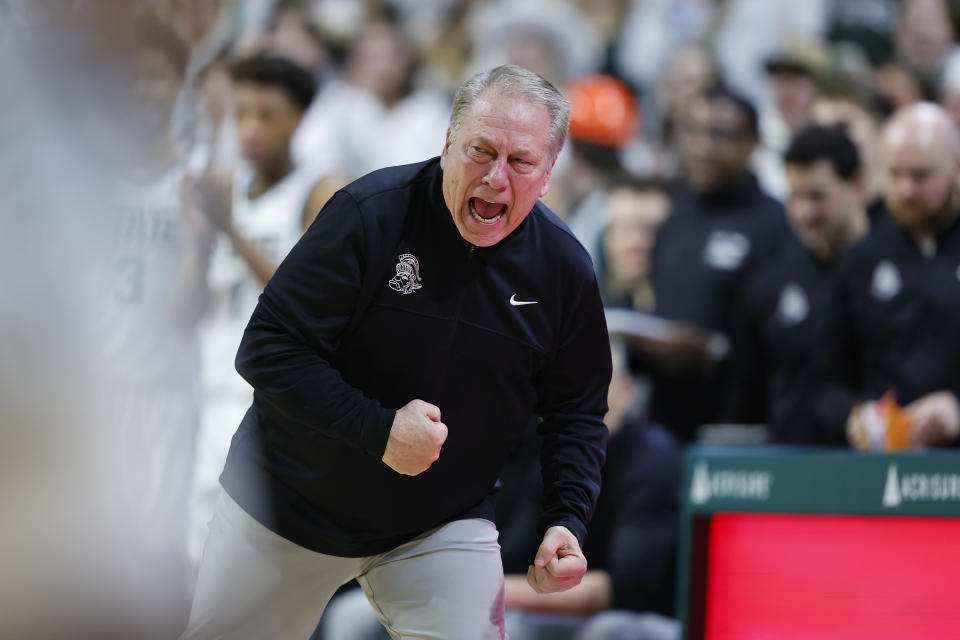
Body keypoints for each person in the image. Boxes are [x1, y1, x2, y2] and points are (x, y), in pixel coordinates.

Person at [180, 64, 612, 639]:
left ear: (549, 170)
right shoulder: (368, 213)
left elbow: (576, 410)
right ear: (447, 144)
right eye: (481, 152)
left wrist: (567, 520)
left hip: (437, 524)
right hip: (287, 503)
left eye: (521, 161)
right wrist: (379, 431)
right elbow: (266, 350)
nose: (496, 179)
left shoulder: (564, 269)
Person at [188, 55, 339, 565]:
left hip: (269, 401)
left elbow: (304, 301)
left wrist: (231, 228)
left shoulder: (323, 191)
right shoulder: (225, 185)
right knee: (188, 557)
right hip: (208, 388)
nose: (250, 128)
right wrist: (201, 237)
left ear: (298, 118)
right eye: (242, 114)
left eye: (266, 115)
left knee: (245, 563)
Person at [644, 86, 788, 442]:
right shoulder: (674, 217)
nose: (702, 148)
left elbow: (785, 336)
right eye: (691, 132)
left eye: (720, 135)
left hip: (742, 425)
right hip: (666, 419)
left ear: (752, 142)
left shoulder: (776, 223)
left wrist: (715, 351)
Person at [821, 102, 960, 449]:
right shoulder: (859, 260)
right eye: (894, 174)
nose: (905, 190)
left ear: (956, 169)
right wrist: (854, 417)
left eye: (921, 175)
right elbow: (823, 381)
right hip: (881, 469)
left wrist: (956, 407)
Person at [729, 126, 870, 444]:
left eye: (817, 197)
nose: (805, 212)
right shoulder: (768, 284)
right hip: (788, 467)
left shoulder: (891, 273)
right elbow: (748, 393)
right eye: (794, 196)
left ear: (857, 184)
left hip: (875, 469)